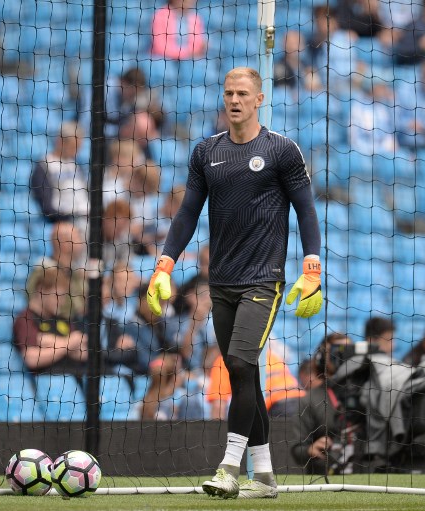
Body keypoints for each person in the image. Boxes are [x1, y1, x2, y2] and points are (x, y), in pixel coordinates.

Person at [146, 67, 322, 499]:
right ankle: (264, 477)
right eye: (229, 93)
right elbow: (187, 213)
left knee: (240, 365)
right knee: (245, 379)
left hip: (263, 281)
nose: (235, 100)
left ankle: (228, 467)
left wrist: (313, 267)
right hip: (220, 282)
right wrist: (164, 264)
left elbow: (306, 210)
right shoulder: (206, 153)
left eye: (243, 93)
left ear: (259, 99)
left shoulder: (282, 151)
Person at [290, 333, 352, 475]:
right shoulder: (310, 400)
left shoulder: (370, 392)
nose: (343, 356)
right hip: (325, 475)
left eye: (349, 350)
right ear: (322, 359)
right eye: (337, 351)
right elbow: (296, 449)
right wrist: (310, 449)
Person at [13, 266, 88, 376]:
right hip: (49, 383)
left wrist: (50, 342)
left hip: (76, 378)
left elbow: (83, 352)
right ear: (41, 290)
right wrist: (68, 343)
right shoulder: (26, 319)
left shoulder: (62, 319)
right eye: (58, 296)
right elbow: (32, 359)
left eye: (63, 297)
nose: (61, 302)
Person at [204, 340, 306, 421]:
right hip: (303, 403)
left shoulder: (222, 362)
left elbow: (218, 407)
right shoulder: (267, 354)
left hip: (279, 408)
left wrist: (217, 438)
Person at [30, 121, 89, 237]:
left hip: (87, 220)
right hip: (64, 224)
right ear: (60, 141)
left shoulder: (76, 166)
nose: (76, 151)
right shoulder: (44, 166)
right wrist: (68, 216)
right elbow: (46, 207)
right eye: (73, 146)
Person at [26, 222, 87, 321]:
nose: (82, 242)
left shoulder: (75, 273)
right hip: (50, 326)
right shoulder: (43, 269)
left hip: (74, 326)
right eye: (77, 237)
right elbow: (33, 302)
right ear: (64, 243)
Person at [349, 77, 398, 156]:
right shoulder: (358, 107)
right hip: (364, 153)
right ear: (372, 88)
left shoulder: (383, 108)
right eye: (381, 87)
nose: (385, 91)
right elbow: (355, 139)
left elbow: (389, 134)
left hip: (383, 154)